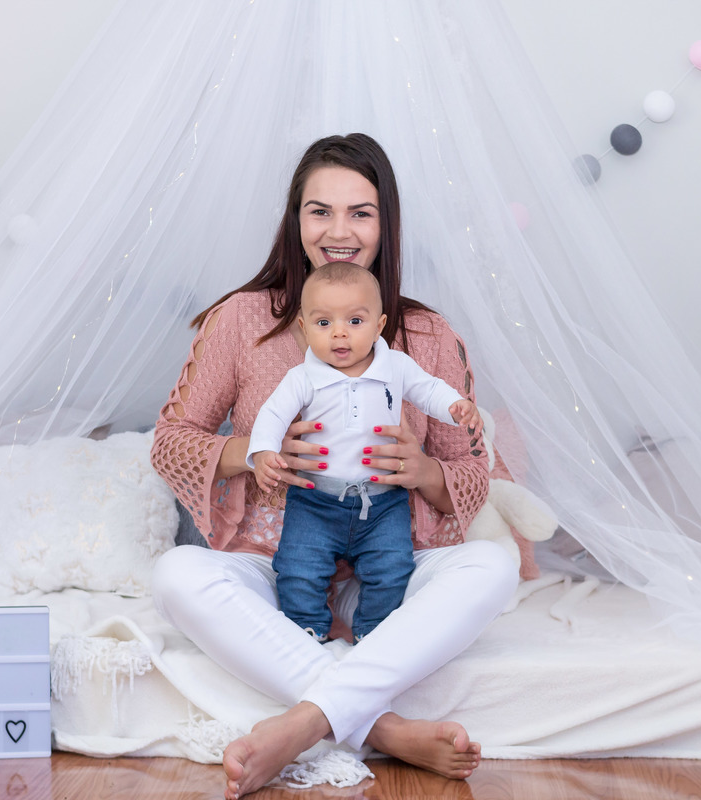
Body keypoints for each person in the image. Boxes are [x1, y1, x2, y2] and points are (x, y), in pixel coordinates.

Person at [150, 133, 519, 800]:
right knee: (177, 576)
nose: (339, 231)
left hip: (390, 558)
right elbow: (171, 440)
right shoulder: (241, 319)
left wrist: (424, 472)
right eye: (320, 211)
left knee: (493, 566)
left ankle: (306, 722)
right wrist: (258, 455)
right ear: (296, 220)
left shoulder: (425, 334)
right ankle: (385, 729)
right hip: (273, 559)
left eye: (361, 212)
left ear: (387, 223)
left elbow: (472, 469)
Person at [249, 263, 481, 644]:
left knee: (392, 568)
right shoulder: (303, 377)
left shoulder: (396, 367)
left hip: (383, 502)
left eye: (355, 321)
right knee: (297, 567)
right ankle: (306, 631)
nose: (339, 332)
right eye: (324, 324)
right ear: (305, 330)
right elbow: (272, 415)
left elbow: (429, 389)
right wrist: (262, 453)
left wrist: (456, 405)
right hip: (315, 500)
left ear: (379, 325)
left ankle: (373, 634)